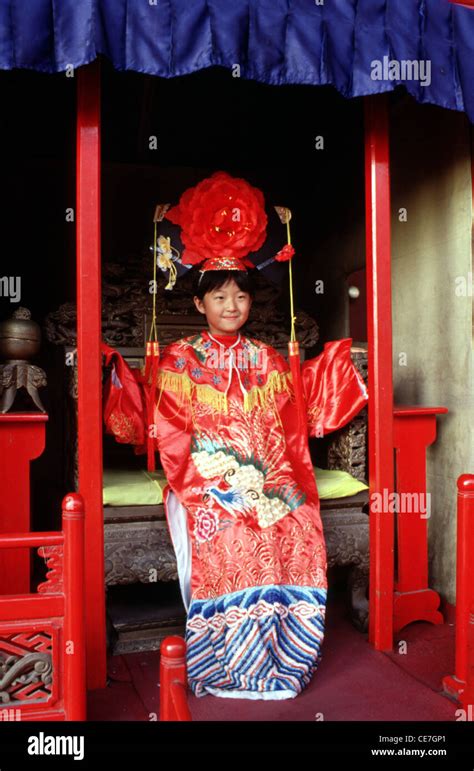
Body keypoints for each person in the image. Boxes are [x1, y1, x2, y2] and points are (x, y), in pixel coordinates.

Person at [152, 232, 368, 698]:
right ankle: (225, 659)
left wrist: (278, 482)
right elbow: (171, 436)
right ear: (199, 303)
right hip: (203, 479)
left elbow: (286, 431)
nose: (232, 305)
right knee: (229, 525)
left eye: (241, 295)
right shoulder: (180, 359)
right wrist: (203, 488)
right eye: (220, 295)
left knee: (290, 519)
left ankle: (284, 649)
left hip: (264, 473)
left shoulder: (267, 358)